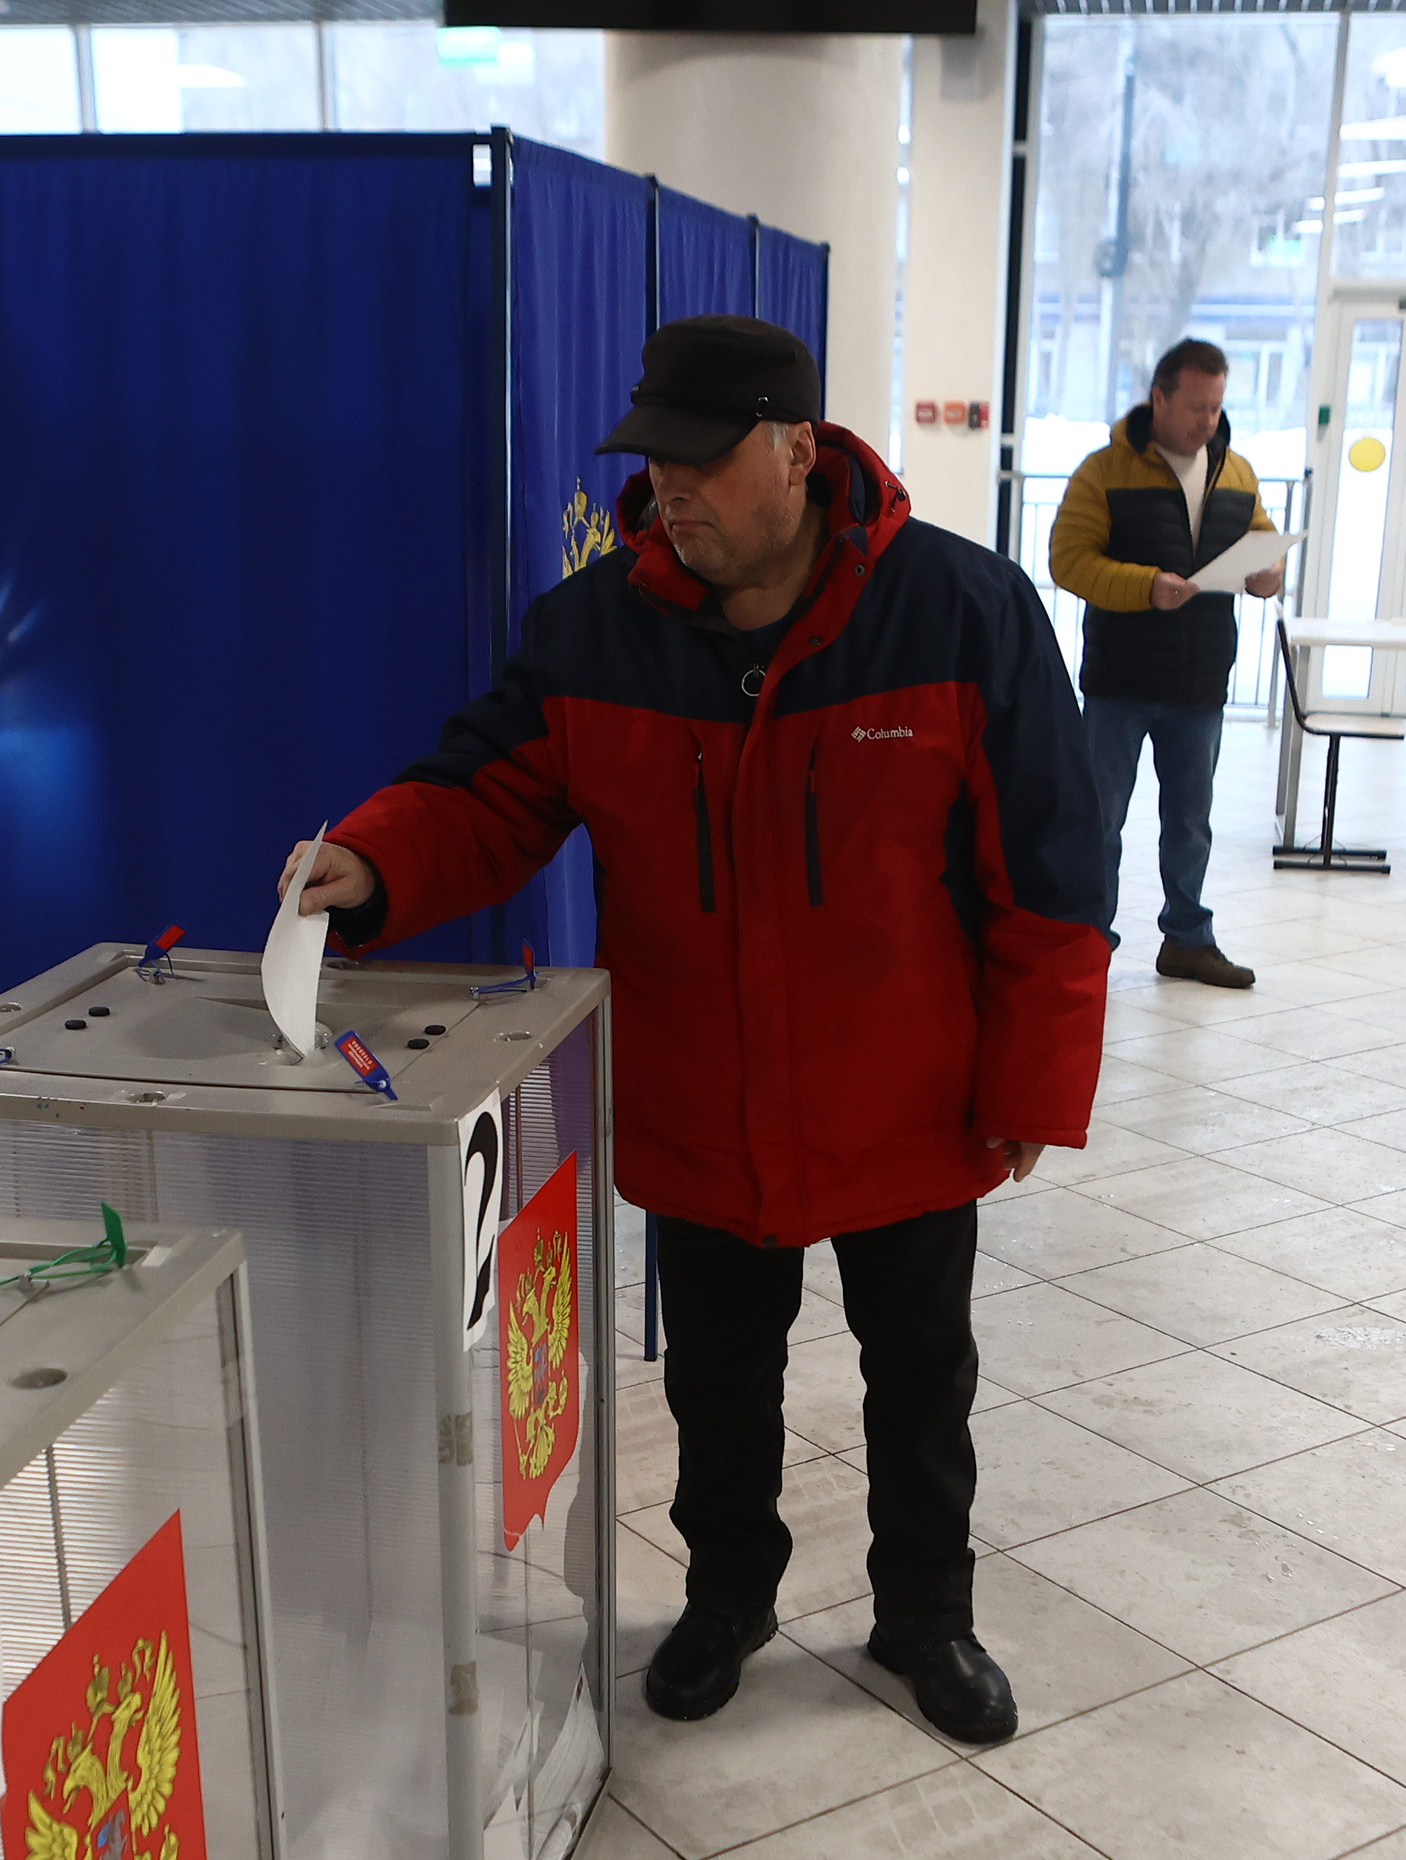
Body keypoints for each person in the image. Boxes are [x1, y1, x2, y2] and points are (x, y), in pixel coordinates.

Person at [281, 316, 1108, 1748]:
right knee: (718, 1380)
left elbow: (1053, 866)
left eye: (704, 459)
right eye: (654, 459)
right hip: (700, 1096)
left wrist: (1032, 1079)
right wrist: (374, 858)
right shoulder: (594, 629)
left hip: (906, 1097)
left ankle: (927, 1613)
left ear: (797, 450)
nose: (670, 489)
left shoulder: (962, 612)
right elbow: (488, 792)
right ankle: (728, 1596)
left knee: (921, 1377)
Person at [1047, 338, 1287, 989]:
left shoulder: (1235, 473)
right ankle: (1088, 941)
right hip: (1120, 682)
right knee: (1100, 822)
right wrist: (1146, 586)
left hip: (1200, 682)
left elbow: (1264, 545)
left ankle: (1187, 940)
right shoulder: (1105, 471)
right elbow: (1068, 560)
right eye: (1196, 407)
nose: (1209, 421)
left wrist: (1269, 575)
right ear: (1159, 398)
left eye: (1217, 407)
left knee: (1190, 823)